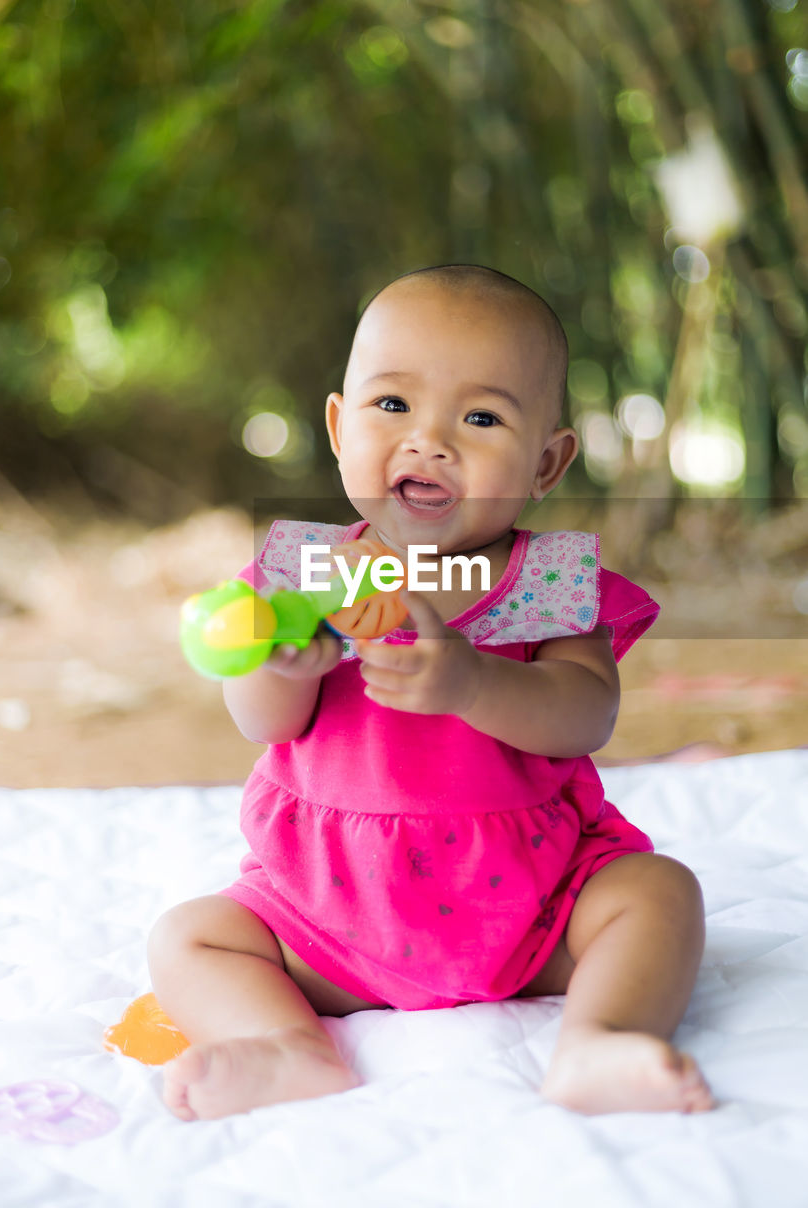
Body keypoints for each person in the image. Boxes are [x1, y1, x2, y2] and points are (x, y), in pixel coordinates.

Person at [148, 264, 714, 1120]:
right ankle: (285, 1046)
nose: (428, 442)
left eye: (481, 417)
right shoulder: (304, 573)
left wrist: (474, 679)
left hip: (530, 904)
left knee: (658, 894)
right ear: (339, 427)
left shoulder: (548, 581)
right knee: (188, 937)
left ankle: (599, 1038)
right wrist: (276, 665)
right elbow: (260, 723)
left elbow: (584, 716)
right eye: (392, 407)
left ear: (546, 461)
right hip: (330, 917)